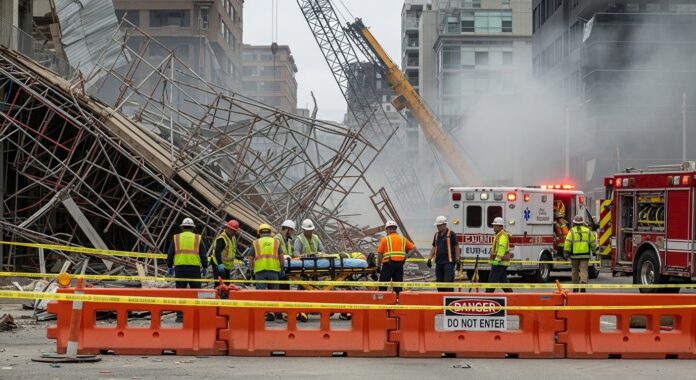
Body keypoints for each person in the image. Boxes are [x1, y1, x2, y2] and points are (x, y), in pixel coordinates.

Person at [167, 217, 208, 322]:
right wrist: (205, 267)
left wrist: (169, 266)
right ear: (193, 228)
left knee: (181, 293)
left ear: (182, 228)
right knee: (196, 292)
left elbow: (170, 253)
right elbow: (203, 254)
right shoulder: (198, 238)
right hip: (194, 269)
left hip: (180, 268)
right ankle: (197, 315)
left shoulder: (176, 238)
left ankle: (180, 317)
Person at [247, 223, 285, 321]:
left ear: (259, 232)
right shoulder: (276, 242)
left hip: (260, 271)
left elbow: (250, 258)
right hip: (274, 270)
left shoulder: (255, 243)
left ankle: (265, 313)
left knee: (261, 293)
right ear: (270, 232)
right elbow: (281, 257)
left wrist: (251, 270)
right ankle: (276, 312)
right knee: (274, 293)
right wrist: (282, 268)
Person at [376, 220, 416, 294]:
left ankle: (382, 300)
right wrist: (405, 257)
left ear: (387, 229)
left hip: (388, 265)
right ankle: (398, 301)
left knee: (383, 285)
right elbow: (413, 248)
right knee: (398, 285)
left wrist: (378, 266)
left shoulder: (385, 239)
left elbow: (379, 254)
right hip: (399, 265)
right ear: (395, 229)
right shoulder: (402, 239)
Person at [564, 215, 597, 293]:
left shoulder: (571, 231)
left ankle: (575, 287)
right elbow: (593, 242)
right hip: (585, 255)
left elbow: (568, 242)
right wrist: (594, 251)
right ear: (582, 223)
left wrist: (566, 251)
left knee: (575, 271)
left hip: (574, 255)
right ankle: (583, 286)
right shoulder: (588, 231)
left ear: (574, 223)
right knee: (584, 270)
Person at [427, 216, 461, 292]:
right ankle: (441, 300)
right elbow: (434, 247)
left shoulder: (451, 234)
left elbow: (456, 246)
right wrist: (429, 259)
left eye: (439, 225)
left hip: (448, 263)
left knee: (448, 282)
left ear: (444, 225)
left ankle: (448, 300)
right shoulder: (436, 235)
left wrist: (458, 259)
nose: (438, 227)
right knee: (439, 283)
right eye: (437, 226)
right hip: (439, 262)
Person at [487, 217, 513, 293]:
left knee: (492, 281)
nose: (493, 227)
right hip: (501, 262)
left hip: (499, 262)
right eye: (493, 225)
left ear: (500, 226)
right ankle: (511, 297)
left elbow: (501, 248)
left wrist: (497, 260)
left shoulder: (502, 236)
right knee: (503, 281)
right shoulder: (498, 235)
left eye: (495, 225)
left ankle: (487, 296)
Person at [275, 220, 296, 291]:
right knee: (281, 290)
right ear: (287, 229)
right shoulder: (277, 239)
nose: (292, 233)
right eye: (291, 231)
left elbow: (291, 253)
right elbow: (276, 253)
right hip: (279, 267)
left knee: (285, 289)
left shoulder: (288, 241)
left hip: (285, 267)